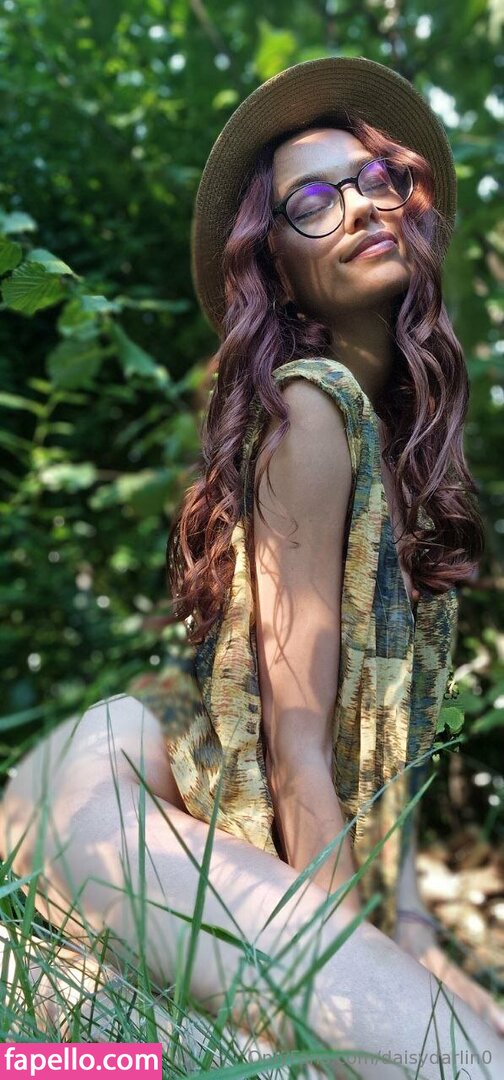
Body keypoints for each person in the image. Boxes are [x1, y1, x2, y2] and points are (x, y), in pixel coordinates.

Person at [1, 55, 503, 1077]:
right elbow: (298, 747)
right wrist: (362, 971)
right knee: (447, 1065)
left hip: (170, 824)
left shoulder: (402, 453)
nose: (359, 205)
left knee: (451, 1042)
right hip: (105, 795)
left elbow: (387, 766)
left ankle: (45, 1038)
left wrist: (417, 936)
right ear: (274, 265)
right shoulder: (314, 405)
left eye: (377, 179)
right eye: (312, 201)